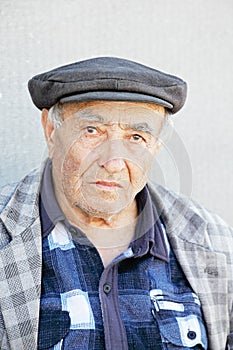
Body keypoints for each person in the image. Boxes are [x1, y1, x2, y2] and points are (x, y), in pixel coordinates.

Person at [0, 57, 232, 350]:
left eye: (136, 136)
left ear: (156, 145)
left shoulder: (214, 240)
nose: (113, 163)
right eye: (92, 131)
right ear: (51, 131)